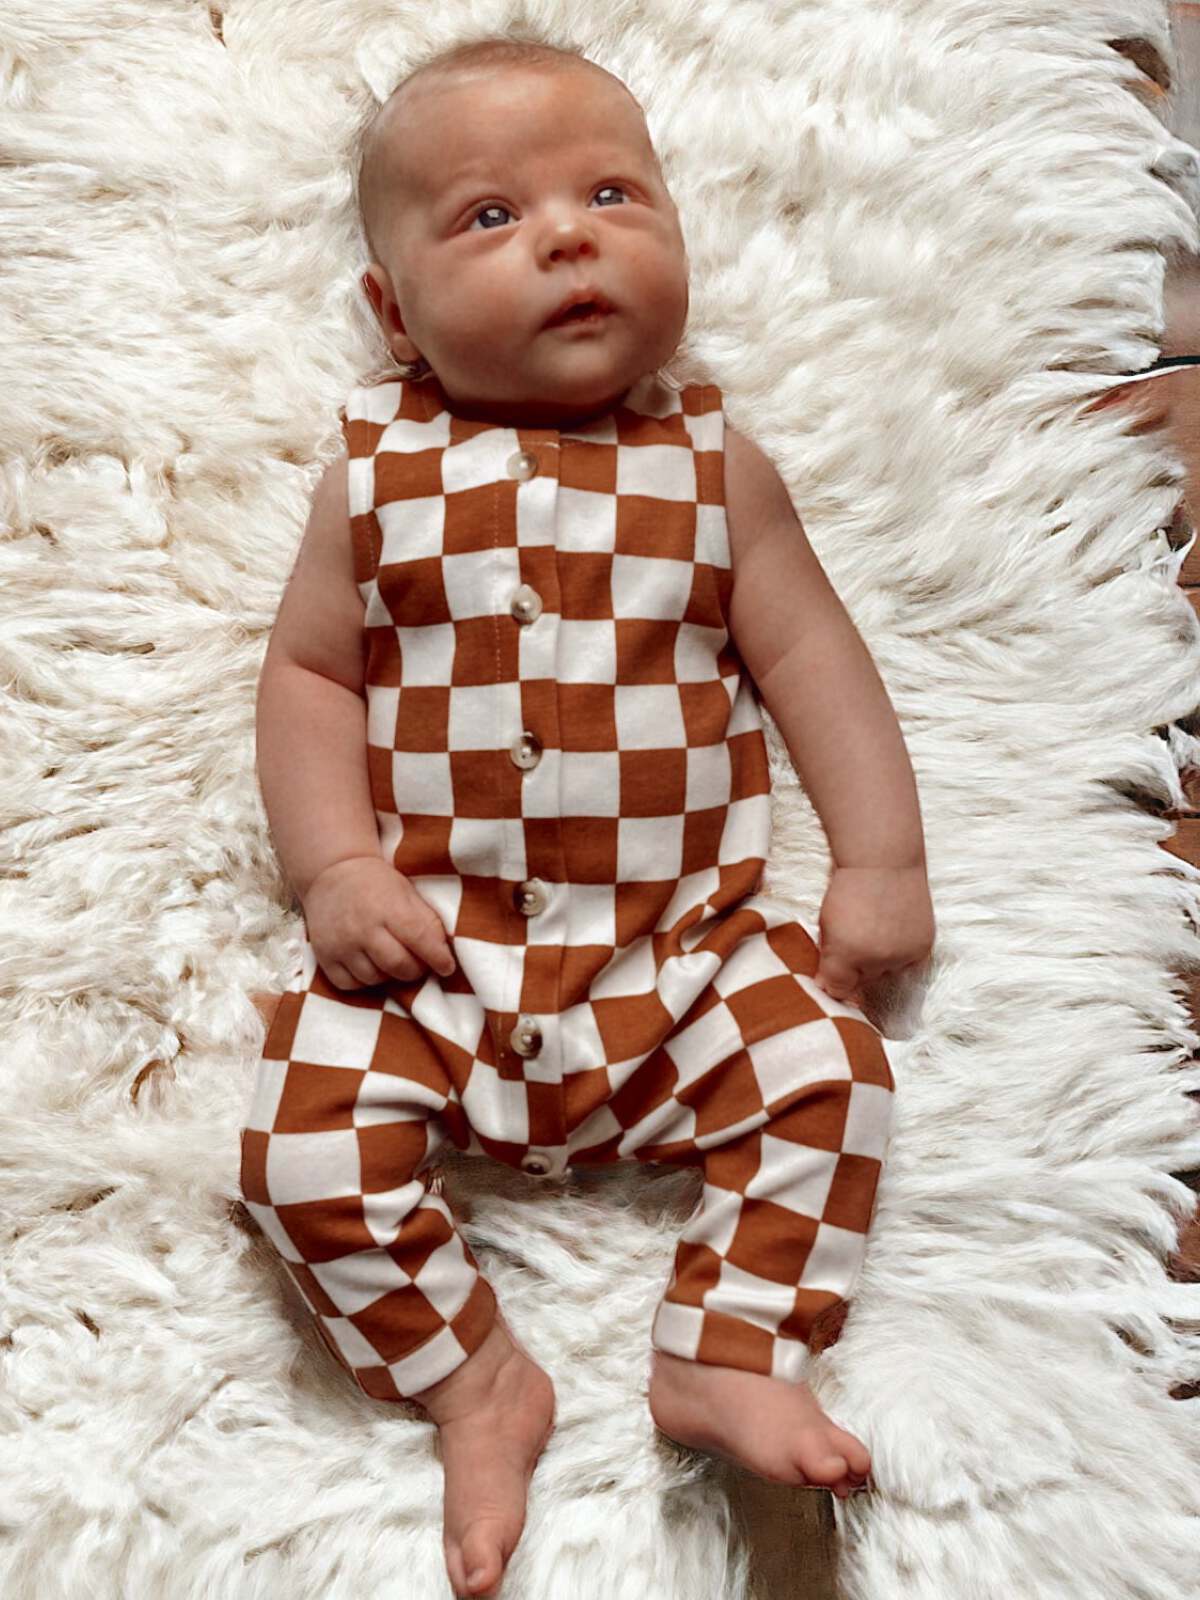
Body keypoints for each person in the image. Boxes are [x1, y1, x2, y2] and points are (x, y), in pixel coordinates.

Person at [240, 36, 935, 1600]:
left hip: (679, 953)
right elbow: (307, 674)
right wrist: (336, 865)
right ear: (392, 310)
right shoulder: (374, 472)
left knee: (831, 1077)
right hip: (435, 960)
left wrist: (882, 860)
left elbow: (815, 654)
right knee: (296, 1157)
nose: (567, 233)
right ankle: (476, 1382)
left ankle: (726, 1344)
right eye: (489, 215)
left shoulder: (710, 466)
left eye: (613, 192)